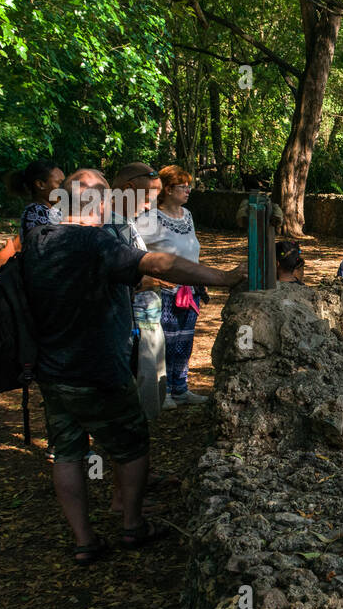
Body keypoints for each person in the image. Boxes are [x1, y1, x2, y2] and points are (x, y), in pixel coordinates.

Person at [21, 169, 244, 565]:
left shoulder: (38, 239)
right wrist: (224, 278)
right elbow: (157, 264)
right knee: (132, 442)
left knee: (69, 452)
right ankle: (131, 524)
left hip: (52, 369)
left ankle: (84, 540)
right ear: (100, 203)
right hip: (99, 367)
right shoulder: (97, 243)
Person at [136, 164, 207, 408]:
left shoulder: (188, 215)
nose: (188, 190)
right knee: (165, 340)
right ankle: (163, 392)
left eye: (189, 186)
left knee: (185, 341)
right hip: (164, 291)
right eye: (183, 186)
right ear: (167, 189)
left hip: (190, 289)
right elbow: (136, 251)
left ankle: (181, 388)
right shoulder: (148, 219)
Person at [108, 163, 170, 423]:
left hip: (146, 316)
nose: (149, 207)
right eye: (147, 199)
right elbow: (115, 277)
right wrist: (151, 279)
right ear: (129, 189)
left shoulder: (127, 223)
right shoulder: (106, 227)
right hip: (128, 324)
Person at [7, 160, 65, 239]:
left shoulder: (51, 210)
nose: (64, 188)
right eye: (59, 183)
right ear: (40, 184)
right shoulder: (36, 211)